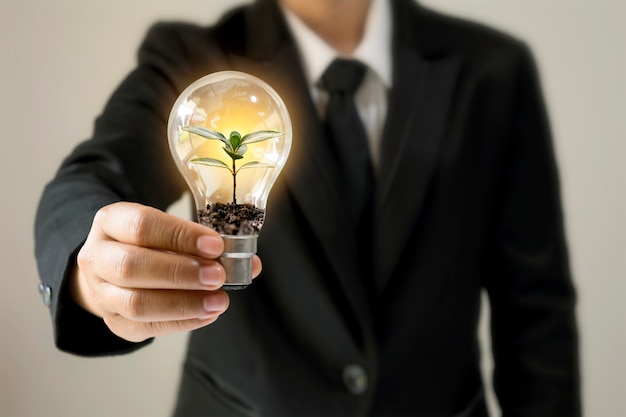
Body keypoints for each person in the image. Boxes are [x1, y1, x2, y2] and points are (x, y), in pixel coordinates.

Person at [34, 0, 581, 415]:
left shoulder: (492, 71)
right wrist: (94, 261)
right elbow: (89, 180)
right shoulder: (192, 59)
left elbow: (535, 308)